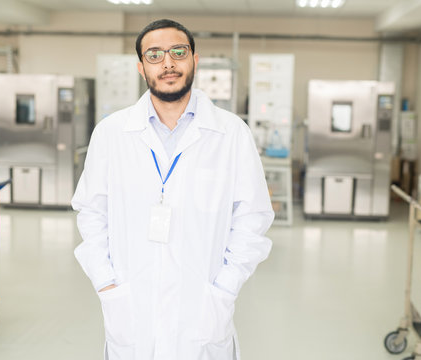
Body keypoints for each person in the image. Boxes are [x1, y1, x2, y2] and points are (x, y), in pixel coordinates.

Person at [72, 18, 274, 360]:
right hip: (131, 307)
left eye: (178, 52)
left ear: (194, 59)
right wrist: (106, 283)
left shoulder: (231, 132)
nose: (168, 63)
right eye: (154, 54)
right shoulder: (111, 133)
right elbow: (91, 213)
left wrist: (225, 287)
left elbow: (252, 218)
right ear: (141, 67)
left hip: (203, 307)